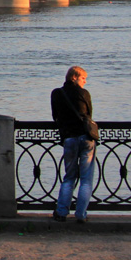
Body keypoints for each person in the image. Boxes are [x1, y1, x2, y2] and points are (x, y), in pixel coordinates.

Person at [50, 65, 96, 223]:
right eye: (83, 78)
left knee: (69, 177)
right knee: (86, 179)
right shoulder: (84, 93)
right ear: (74, 77)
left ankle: (62, 213)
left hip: (69, 138)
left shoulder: (57, 94)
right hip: (86, 138)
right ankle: (81, 215)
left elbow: (55, 116)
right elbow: (89, 115)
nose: (85, 82)